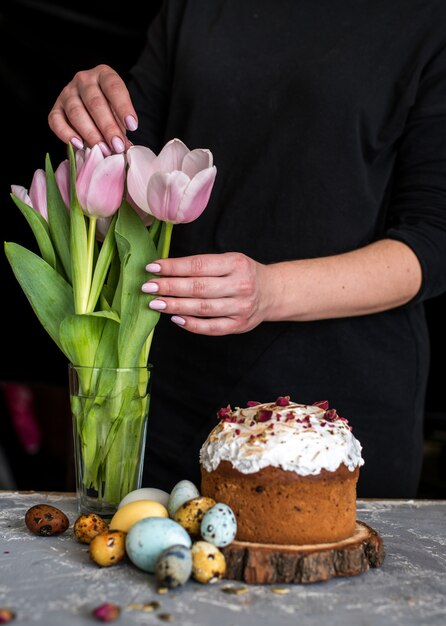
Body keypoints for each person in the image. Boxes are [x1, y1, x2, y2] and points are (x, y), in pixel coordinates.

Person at [47, 0, 446, 498]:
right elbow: (130, 183)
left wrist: (270, 290)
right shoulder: (192, 9)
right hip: (170, 404)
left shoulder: (425, 18)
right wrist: (89, 118)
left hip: (335, 426)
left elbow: (432, 242)